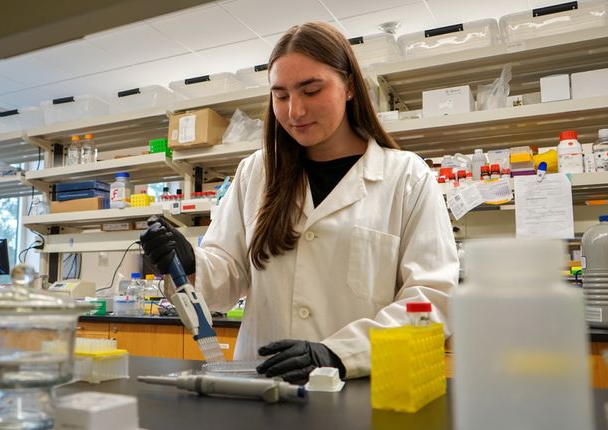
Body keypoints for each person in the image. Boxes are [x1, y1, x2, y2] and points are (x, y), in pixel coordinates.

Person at [141, 21, 458, 384]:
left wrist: (339, 354)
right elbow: (226, 278)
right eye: (281, 95)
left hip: (358, 388)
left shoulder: (406, 176)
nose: (295, 111)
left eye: (311, 90)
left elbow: (432, 302)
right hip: (262, 387)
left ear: (350, 87)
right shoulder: (256, 172)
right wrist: (189, 262)